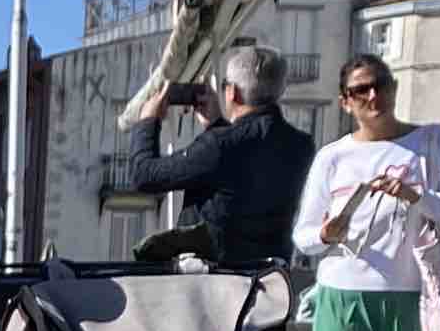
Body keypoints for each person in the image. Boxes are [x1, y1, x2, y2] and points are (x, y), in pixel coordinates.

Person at [291, 54, 440, 331]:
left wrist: (418, 196)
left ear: (395, 88)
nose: (373, 95)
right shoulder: (332, 157)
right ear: (345, 102)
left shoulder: (433, 141)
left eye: (381, 85)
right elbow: (303, 237)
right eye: (360, 90)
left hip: (415, 297)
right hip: (342, 294)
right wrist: (325, 235)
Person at [118, 42, 317, 265]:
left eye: (225, 86)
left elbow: (143, 174)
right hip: (269, 278)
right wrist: (217, 123)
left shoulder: (219, 145)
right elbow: (245, 168)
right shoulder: (302, 145)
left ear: (232, 92)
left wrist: (147, 122)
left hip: (217, 283)